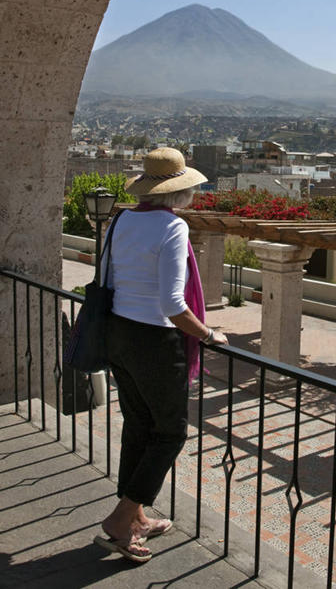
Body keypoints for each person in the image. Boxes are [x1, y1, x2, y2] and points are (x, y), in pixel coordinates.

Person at [94, 147, 228, 563]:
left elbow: (106, 278)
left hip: (118, 333)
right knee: (170, 432)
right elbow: (172, 304)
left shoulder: (122, 219)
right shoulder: (173, 228)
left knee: (138, 425)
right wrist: (208, 334)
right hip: (155, 341)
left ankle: (135, 516)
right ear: (179, 192)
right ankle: (120, 521)